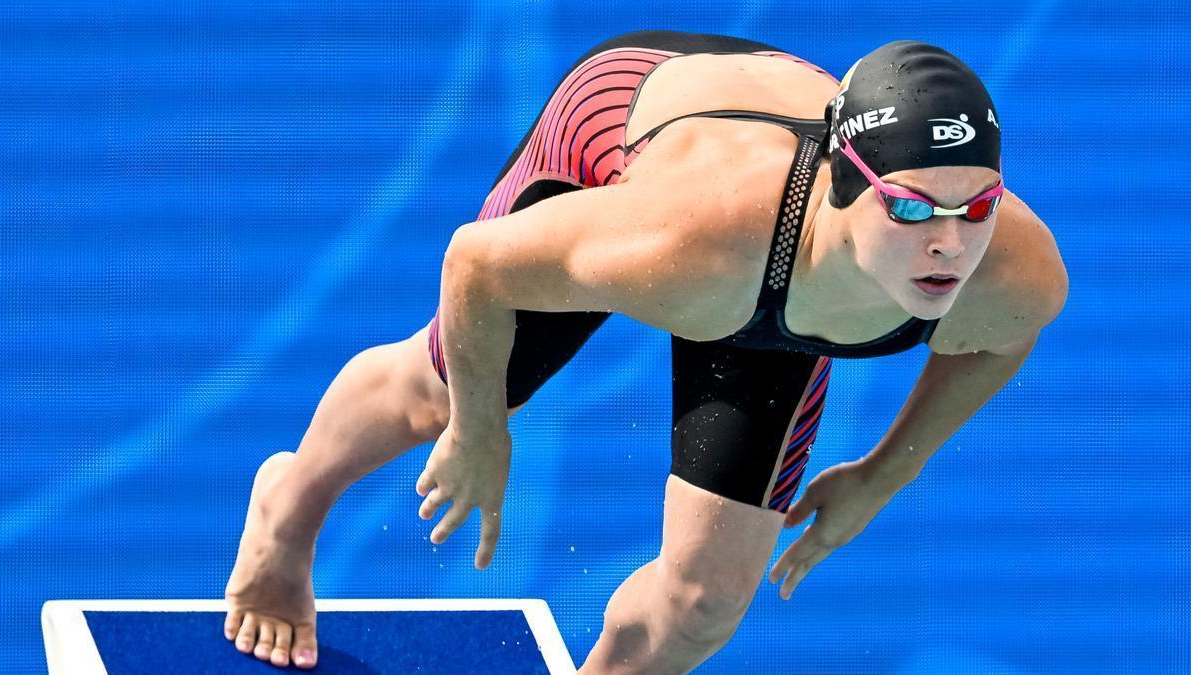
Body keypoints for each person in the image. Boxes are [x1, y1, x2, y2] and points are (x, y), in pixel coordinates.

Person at [222, 30, 1068, 671]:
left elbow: (1001, 341)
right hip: (647, 123)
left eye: (978, 206)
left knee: (702, 605)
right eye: (914, 210)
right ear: (847, 186)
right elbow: (475, 265)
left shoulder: (1011, 270)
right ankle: (284, 509)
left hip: (780, 264)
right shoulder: (685, 240)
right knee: (433, 393)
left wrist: (883, 474)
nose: (951, 246)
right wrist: (482, 427)